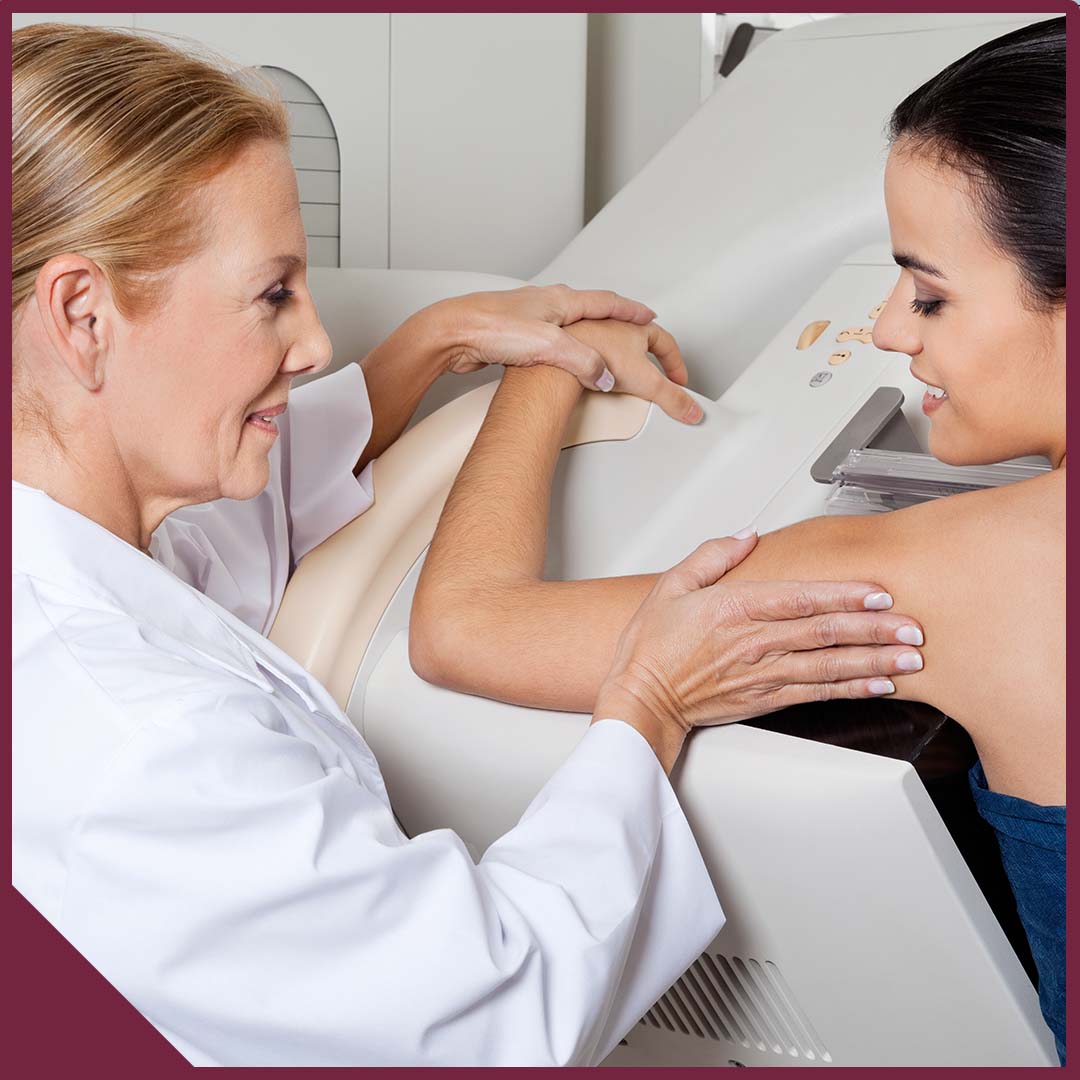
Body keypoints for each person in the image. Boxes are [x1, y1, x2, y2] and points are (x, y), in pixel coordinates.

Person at [10, 24, 928, 1067]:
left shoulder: (76, 538)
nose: (313, 343)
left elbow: (237, 525)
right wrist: (651, 703)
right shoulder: (139, 747)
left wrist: (440, 338)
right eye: (272, 296)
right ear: (82, 315)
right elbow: (492, 1019)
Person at [411, 18, 1066, 1064]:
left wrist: (546, 369)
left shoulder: (974, 573)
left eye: (931, 292)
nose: (891, 329)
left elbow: (461, 627)